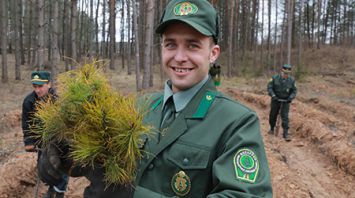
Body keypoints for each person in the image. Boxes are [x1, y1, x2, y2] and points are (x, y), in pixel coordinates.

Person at [37, 0, 272, 197]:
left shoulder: (236, 123)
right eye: (171, 44)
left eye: (192, 45)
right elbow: (104, 161)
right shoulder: (139, 107)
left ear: (213, 53)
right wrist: (65, 157)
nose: (180, 57)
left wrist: (133, 195)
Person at [22, 71, 68, 198]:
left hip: (60, 141)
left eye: (40, 86)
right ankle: (51, 188)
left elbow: (67, 121)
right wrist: (29, 142)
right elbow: (26, 124)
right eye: (35, 87)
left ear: (49, 84)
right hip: (41, 141)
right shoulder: (29, 101)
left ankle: (59, 193)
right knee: (44, 168)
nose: (37, 90)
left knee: (61, 167)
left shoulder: (58, 100)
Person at [267, 64, 297, 141]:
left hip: (286, 100)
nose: (286, 75)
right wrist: (273, 95)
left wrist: (290, 98)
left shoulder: (292, 80)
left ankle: (285, 133)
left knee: (285, 117)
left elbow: (294, 90)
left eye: (287, 73)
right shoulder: (274, 78)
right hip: (275, 99)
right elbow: (270, 88)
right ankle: (272, 128)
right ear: (281, 71)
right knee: (273, 114)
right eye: (284, 73)